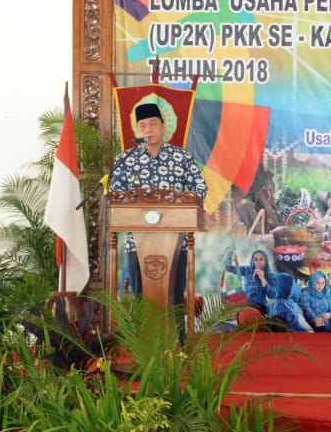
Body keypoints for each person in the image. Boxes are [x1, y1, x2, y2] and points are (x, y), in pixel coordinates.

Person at [108, 102, 208, 301]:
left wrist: (183, 204)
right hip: (136, 242)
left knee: (174, 297)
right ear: (137, 130)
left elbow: (200, 187)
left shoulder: (181, 157)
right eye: (142, 125)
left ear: (163, 126)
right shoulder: (126, 159)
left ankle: (176, 325)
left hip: (176, 241)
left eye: (153, 124)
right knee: (141, 298)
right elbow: (116, 194)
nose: (148, 129)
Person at [224, 248, 275, 316]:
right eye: (255, 259)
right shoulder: (247, 270)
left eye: (261, 259)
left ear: (266, 261)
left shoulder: (270, 275)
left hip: (261, 308)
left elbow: (272, 295)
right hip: (245, 307)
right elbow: (228, 268)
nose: (258, 262)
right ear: (252, 261)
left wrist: (263, 279)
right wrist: (229, 255)